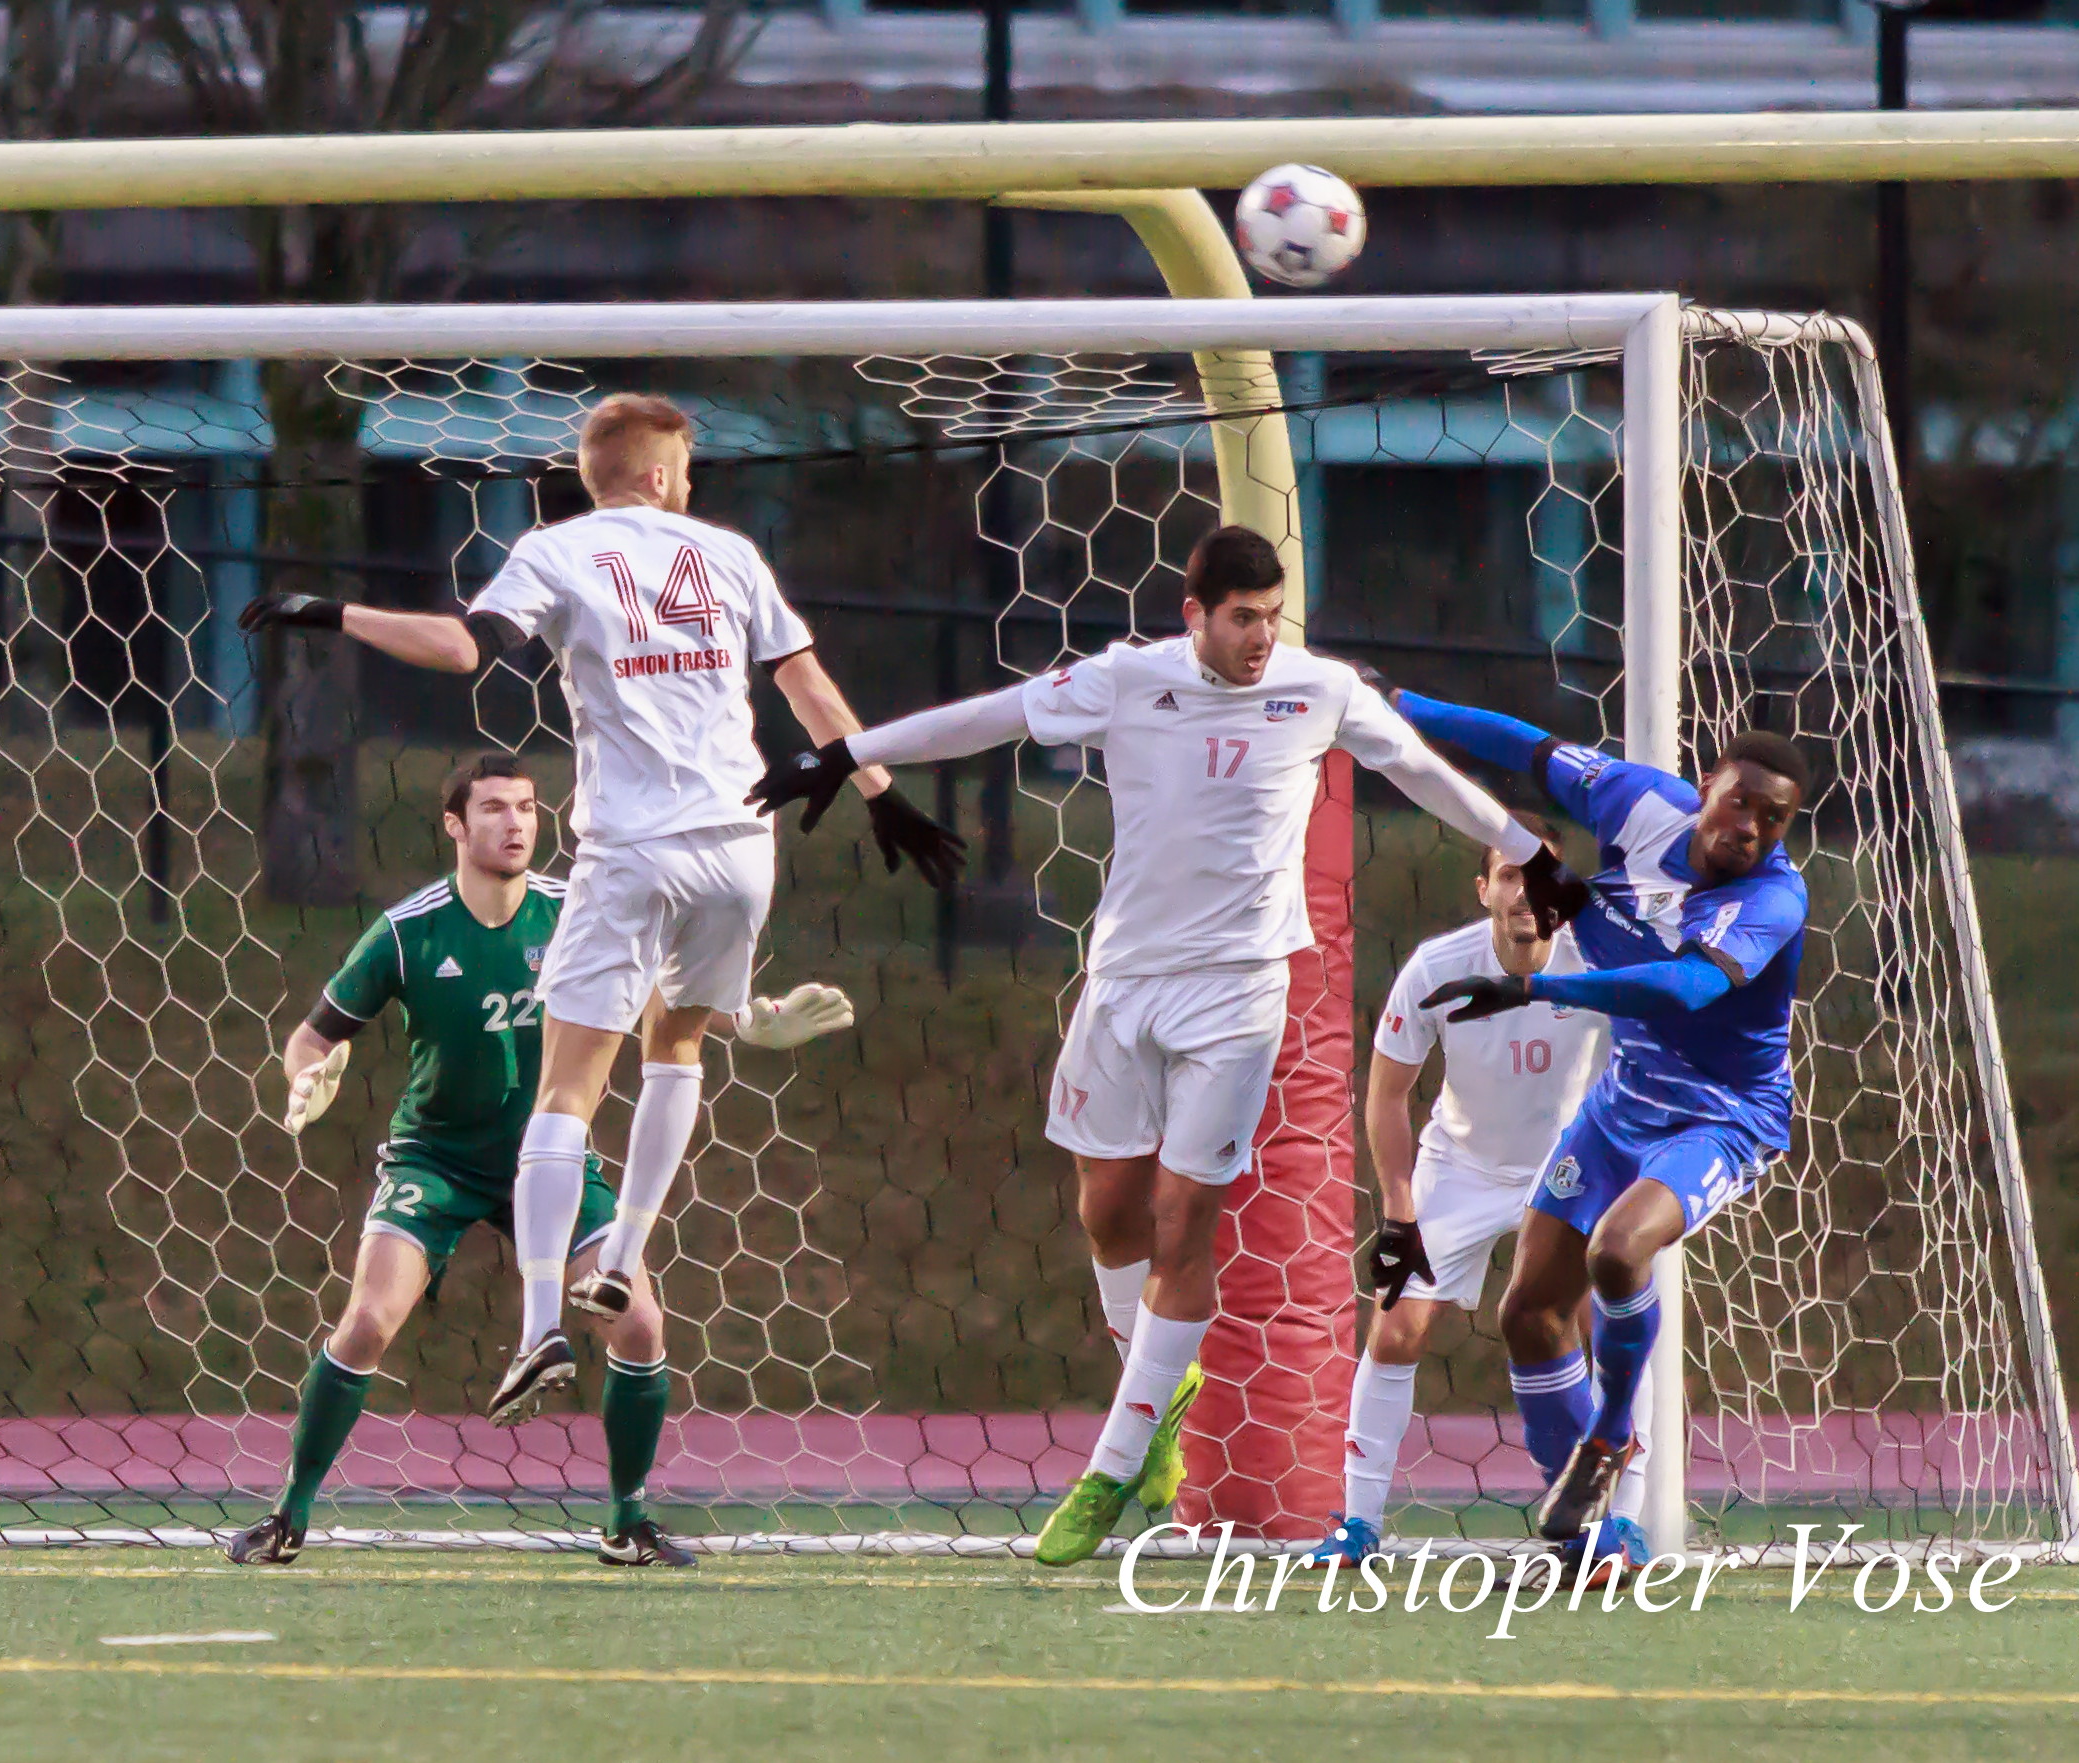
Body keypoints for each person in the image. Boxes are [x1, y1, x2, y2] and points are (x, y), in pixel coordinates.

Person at [747, 525, 1584, 1567]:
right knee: (1108, 1212)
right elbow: (989, 718)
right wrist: (848, 751)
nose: (1259, 637)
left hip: (1236, 997)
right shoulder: (1125, 680)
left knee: (1185, 1222)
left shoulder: (1315, 688)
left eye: (1271, 617)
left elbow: (1414, 767)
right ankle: (1157, 1382)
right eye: (1241, 618)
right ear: (1193, 614)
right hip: (1123, 985)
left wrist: (1522, 846)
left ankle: (1115, 1460)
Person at [239, 393, 962, 1430]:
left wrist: (329, 612)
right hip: (738, 840)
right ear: (667, 474)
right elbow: (808, 691)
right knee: (679, 1048)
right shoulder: (731, 556)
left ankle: (539, 1325)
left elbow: (458, 649)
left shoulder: (558, 550)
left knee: (565, 1093)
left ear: (596, 473)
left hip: (626, 849)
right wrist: (883, 793)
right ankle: (619, 1259)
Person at [223, 753, 854, 1568]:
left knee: (638, 1320)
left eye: (526, 806)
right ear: (454, 824)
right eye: (492, 808)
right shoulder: (408, 931)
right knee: (369, 1321)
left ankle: (628, 1522)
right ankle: (289, 1514)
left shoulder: (573, 913)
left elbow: (666, 996)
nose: (515, 822)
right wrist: (307, 1073)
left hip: (551, 1159)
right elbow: (314, 1033)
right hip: (436, 1161)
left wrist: (748, 1018)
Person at [1392, 690, 1810, 1544]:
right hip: (1622, 1103)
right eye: (1741, 804)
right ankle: (1591, 1542)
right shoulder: (1639, 800)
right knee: (1527, 1314)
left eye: (1775, 819)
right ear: (1707, 786)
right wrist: (1397, 703)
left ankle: (1613, 1430)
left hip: (1722, 1116)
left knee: (1618, 1251)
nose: (1753, 830)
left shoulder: (1774, 898)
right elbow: (1521, 740)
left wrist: (1535, 985)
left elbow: (1686, 990)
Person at [1297, 815, 1652, 1576]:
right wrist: (1398, 1207)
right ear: (1484, 887)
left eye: (1543, 876)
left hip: (1568, 1168)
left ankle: (1621, 1525)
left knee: (1603, 1328)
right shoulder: (1436, 968)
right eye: (1512, 876)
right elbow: (1387, 1095)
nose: (1527, 895)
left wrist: (1625, 1164)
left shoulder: (1600, 964)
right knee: (1396, 1330)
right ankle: (1357, 1524)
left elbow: (1645, 1066)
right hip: (1458, 1167)